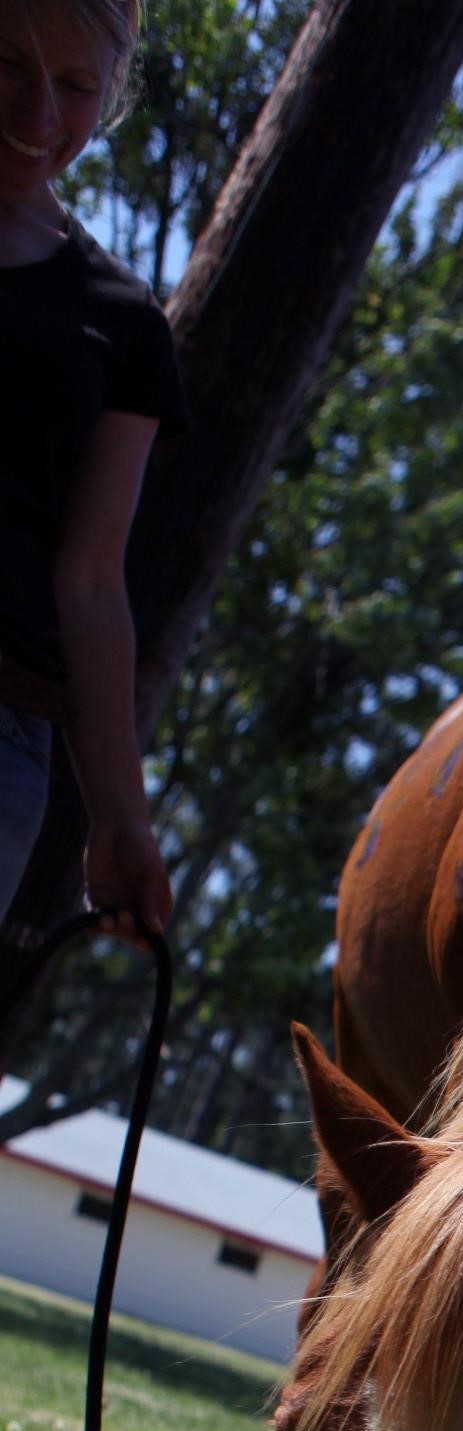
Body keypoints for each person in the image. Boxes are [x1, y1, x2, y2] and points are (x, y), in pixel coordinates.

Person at [0, 0, 182, 937]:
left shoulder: (121, 323)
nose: (37, 122)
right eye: (10, 70)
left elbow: (90, 578)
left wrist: (121, 817)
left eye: (74, 88)